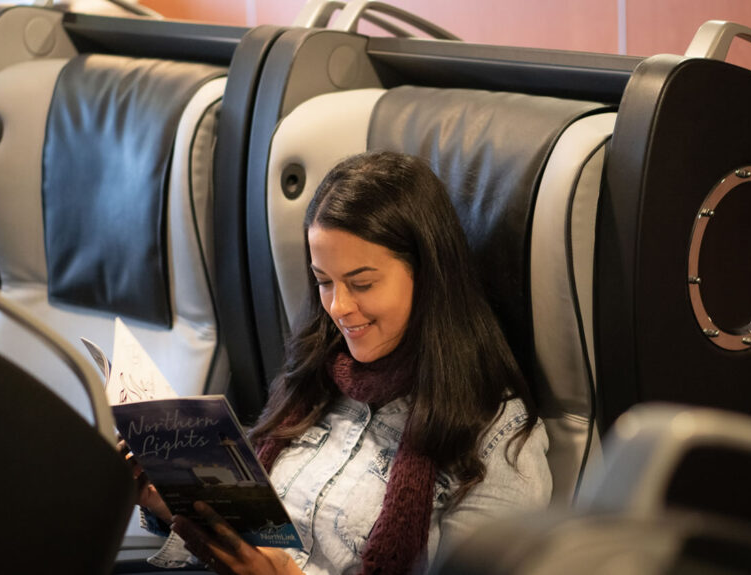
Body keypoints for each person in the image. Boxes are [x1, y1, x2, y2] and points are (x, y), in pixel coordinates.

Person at [135, 151, 551, 574]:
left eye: (362, 283)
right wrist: (177, 503)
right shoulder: (315, 378)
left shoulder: (498, 435)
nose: (339, 307)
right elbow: (252, 528)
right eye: (323, 281)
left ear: (427, 275)